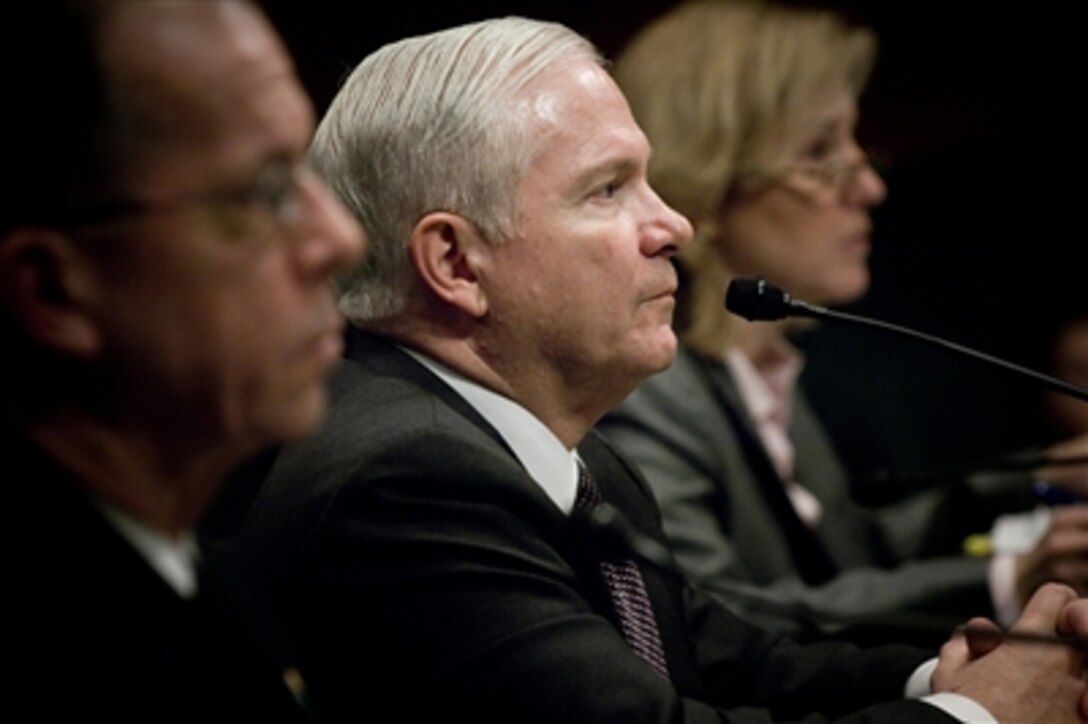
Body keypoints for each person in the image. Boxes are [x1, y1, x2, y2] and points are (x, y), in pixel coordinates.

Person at [223, 15, 1088, 722]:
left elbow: (740, 662)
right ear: (455, 262)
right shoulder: (406, 483)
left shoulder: (576, 460)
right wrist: (980, 719)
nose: (673, 224)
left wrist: (949, 683)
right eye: (608, 190)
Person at [596, 0, 1088, 644]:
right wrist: (1007, 576)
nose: (870, 186)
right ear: (706, 189)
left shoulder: (761, 369)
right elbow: (718, 624)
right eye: (820, 150)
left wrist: (1031, 480)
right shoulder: (649, 394)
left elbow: (852, 550)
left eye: (857, 142)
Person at [1, 1, 364, 720]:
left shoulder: (197, 574)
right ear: (55, 289)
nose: (340, 239)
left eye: (307, 171)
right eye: (263, 192)